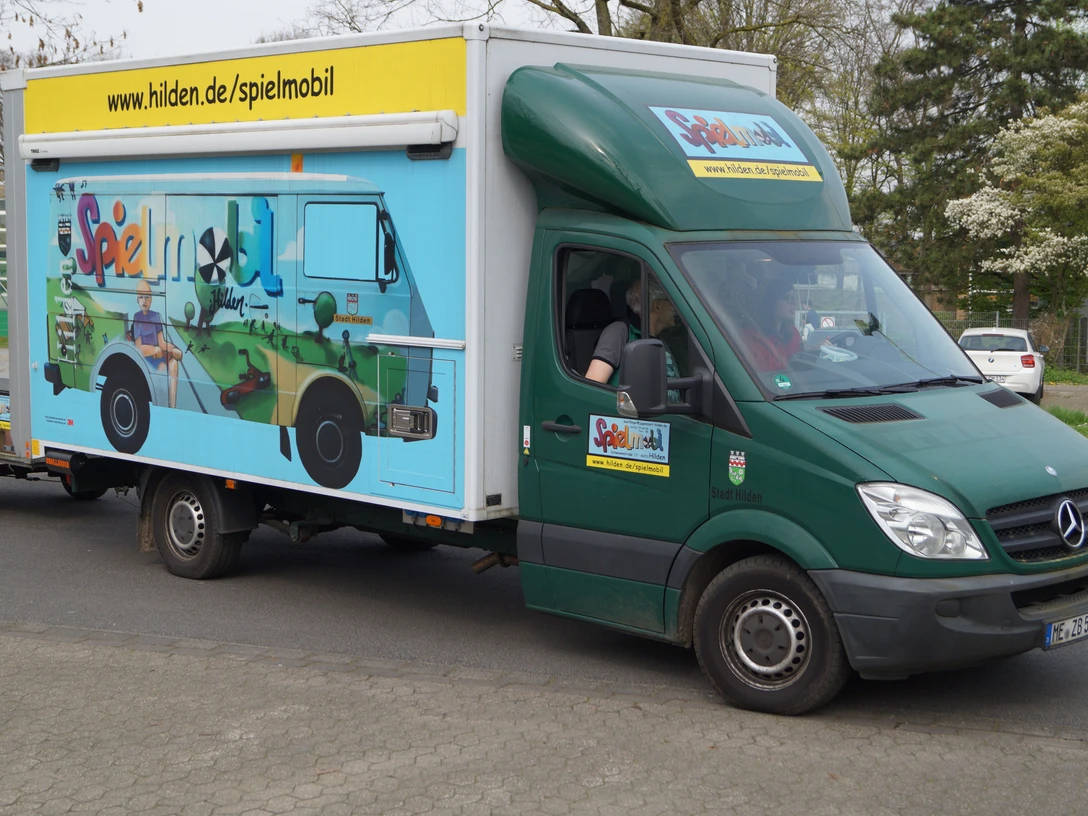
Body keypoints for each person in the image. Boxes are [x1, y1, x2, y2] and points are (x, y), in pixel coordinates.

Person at [585, 280, 681, 402]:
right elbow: (592, 387)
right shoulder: (618, 332)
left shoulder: (661, 338)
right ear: (657, 305)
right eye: (671, 301)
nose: (675, 307)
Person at [132, 279, 183, 408]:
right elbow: (138, 347)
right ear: (137, 299)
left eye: (147, 297)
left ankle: (173, 406)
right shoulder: (137, 317)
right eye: (141, 297)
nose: (144, 301)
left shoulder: (155, 316)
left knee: (173, 364)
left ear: (151, 299)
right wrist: (153, 350)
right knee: (161, 367)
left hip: (158, 356)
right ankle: (160, 404)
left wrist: (175, 349)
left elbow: (162, 342)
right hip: (146, 360)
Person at [743, 279, 803, 372]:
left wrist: (815, 352)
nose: (794, 303)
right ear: (772, 302)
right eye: (788, 298)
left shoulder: (792, 332)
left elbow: (799, 363)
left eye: (794, 298)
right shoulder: (753, 337)